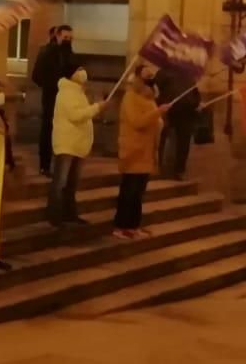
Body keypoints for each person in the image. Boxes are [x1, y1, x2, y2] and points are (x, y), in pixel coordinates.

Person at [47, 64, 104, 228]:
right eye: (78, 69)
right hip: (66, 144)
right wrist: (97, 107)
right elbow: (76, 115)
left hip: (78, 144)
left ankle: (69, 214)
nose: (82, 72)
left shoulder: (78, 92)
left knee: (71, 184)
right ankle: (55, 215)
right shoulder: (66, 93)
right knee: (60, 182)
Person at [115, 64, 166, 239]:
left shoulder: (150, 98)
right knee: (129, 190)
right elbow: (137, 121)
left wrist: (158, 117)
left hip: (146, 151)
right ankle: (121, 226)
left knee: (138, 193)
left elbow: (154, 121)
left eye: (151, 74)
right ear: (137, 76)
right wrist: (157, 113)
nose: (149, 76)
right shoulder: (130, 96)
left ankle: (134, 225)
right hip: (133, 150)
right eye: (145, 73)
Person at [31, 26, 75, 175]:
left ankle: (60, 165)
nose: (67, 41)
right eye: (65, 38)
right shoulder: (47, 52)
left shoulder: (69, 54)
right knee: (48, 130)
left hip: (66, 99)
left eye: (70, 38)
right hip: (51, 98)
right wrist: (52, 85)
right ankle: (45, 165)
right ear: (57, 36)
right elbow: (36, 76)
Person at [155, 67, 201, 180]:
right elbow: (157, 89)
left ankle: (179, 170)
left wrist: (197, 104)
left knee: (183, 143)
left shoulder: (189, 75)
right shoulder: (163, 72)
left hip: (186, 112)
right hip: (168, 111)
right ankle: (160, 166)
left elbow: (195, 92)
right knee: (164, 139)